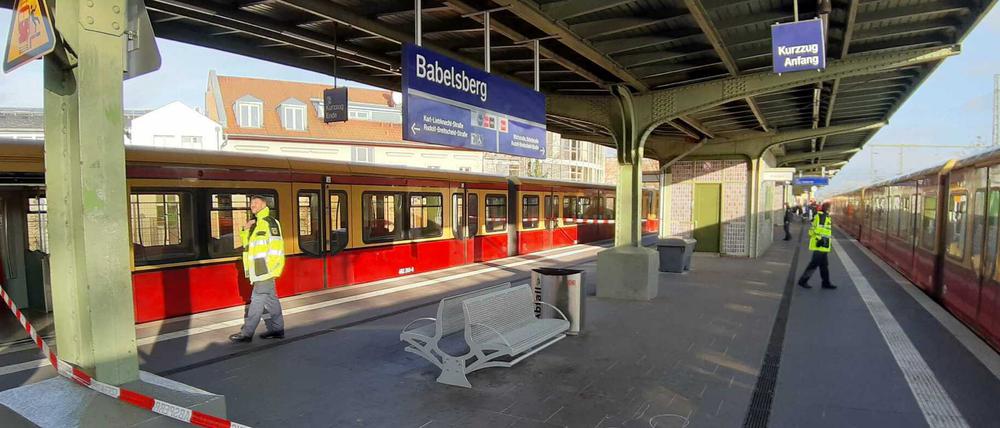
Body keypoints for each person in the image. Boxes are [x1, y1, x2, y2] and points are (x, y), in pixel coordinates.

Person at [230, 196, 286, 343]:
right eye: (251, 203)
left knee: (257, 301)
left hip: (264, 271)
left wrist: (269, 269)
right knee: (272, 300)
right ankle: (278, 329)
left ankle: (247, 333)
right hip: (258, 270)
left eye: (256, 203)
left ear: (264, 204)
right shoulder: (256, 224)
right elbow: (248, 247)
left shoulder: (270, 222)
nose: (252, 205)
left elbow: (276, 247)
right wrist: (245, 230)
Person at [798, 201, 836, 289]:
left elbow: (817, 229)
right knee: (813, 264)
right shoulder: (822, 216)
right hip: (820, 245)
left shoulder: (824, 216)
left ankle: (826, 283)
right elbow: (816, 230)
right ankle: (802, 281)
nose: (831, 210)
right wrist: (820, 239)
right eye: (830, 208)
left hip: (823, 245)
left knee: (824, 265)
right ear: (827, 208)